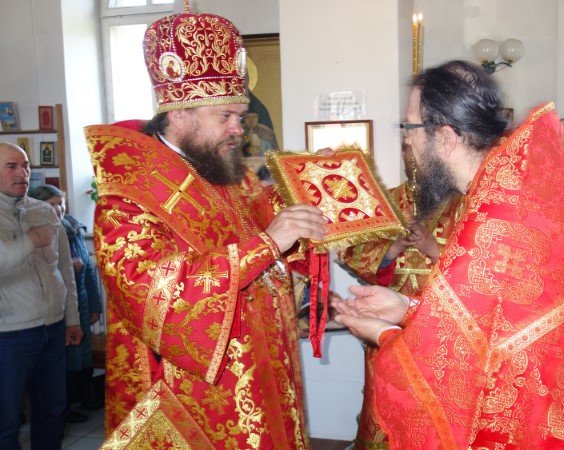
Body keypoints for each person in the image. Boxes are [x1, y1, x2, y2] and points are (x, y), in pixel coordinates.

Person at [332, 60, 564, 448]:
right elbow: (488, 321)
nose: (407, 141)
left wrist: (383, 333)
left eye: (411, 127)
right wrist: (405, 306)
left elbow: (450, 365)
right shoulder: (507, 191)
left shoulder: (495, 214)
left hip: (528, 420)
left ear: (445, 137)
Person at [85, 10, 327, 449]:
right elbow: (151, 292)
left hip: (264, 369)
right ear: (179, 114)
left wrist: (312, 187)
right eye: (225, 116)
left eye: (240, 116)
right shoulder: (129, 195)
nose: (239, 129)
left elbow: (275, 229)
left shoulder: (228, 174)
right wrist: (267, 244)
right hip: (197, 394)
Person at [336, 142, 464, 448]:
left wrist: (433, 249)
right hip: (385, 324)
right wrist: (392, 249)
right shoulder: (386, 201)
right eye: (407, 150)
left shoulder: (466, 203)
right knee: (387, 403)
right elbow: (352, 254)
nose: (415, 157)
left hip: (441, 327)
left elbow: (484, 268)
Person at [0, 142, 83, 449]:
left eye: (25, 166)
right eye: (11, 166)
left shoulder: (44, 210)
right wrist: (30, 241)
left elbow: (64, 268)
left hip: (52, 327)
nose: (22, 173)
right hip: (8, 335)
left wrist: (72, 319)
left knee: (51, 411)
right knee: (6, 422)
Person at [29, 185, 104, 422]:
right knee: (63, 360)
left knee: (82, 356)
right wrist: (68, 266)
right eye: (51, 204)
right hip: (55, 309)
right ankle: (63, 408)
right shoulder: (34, 232)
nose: (58, 208)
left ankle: (83, 397)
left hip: (79, 304)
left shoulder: (73, 228)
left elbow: (88, 270)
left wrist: (95, 305)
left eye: (60, 203)